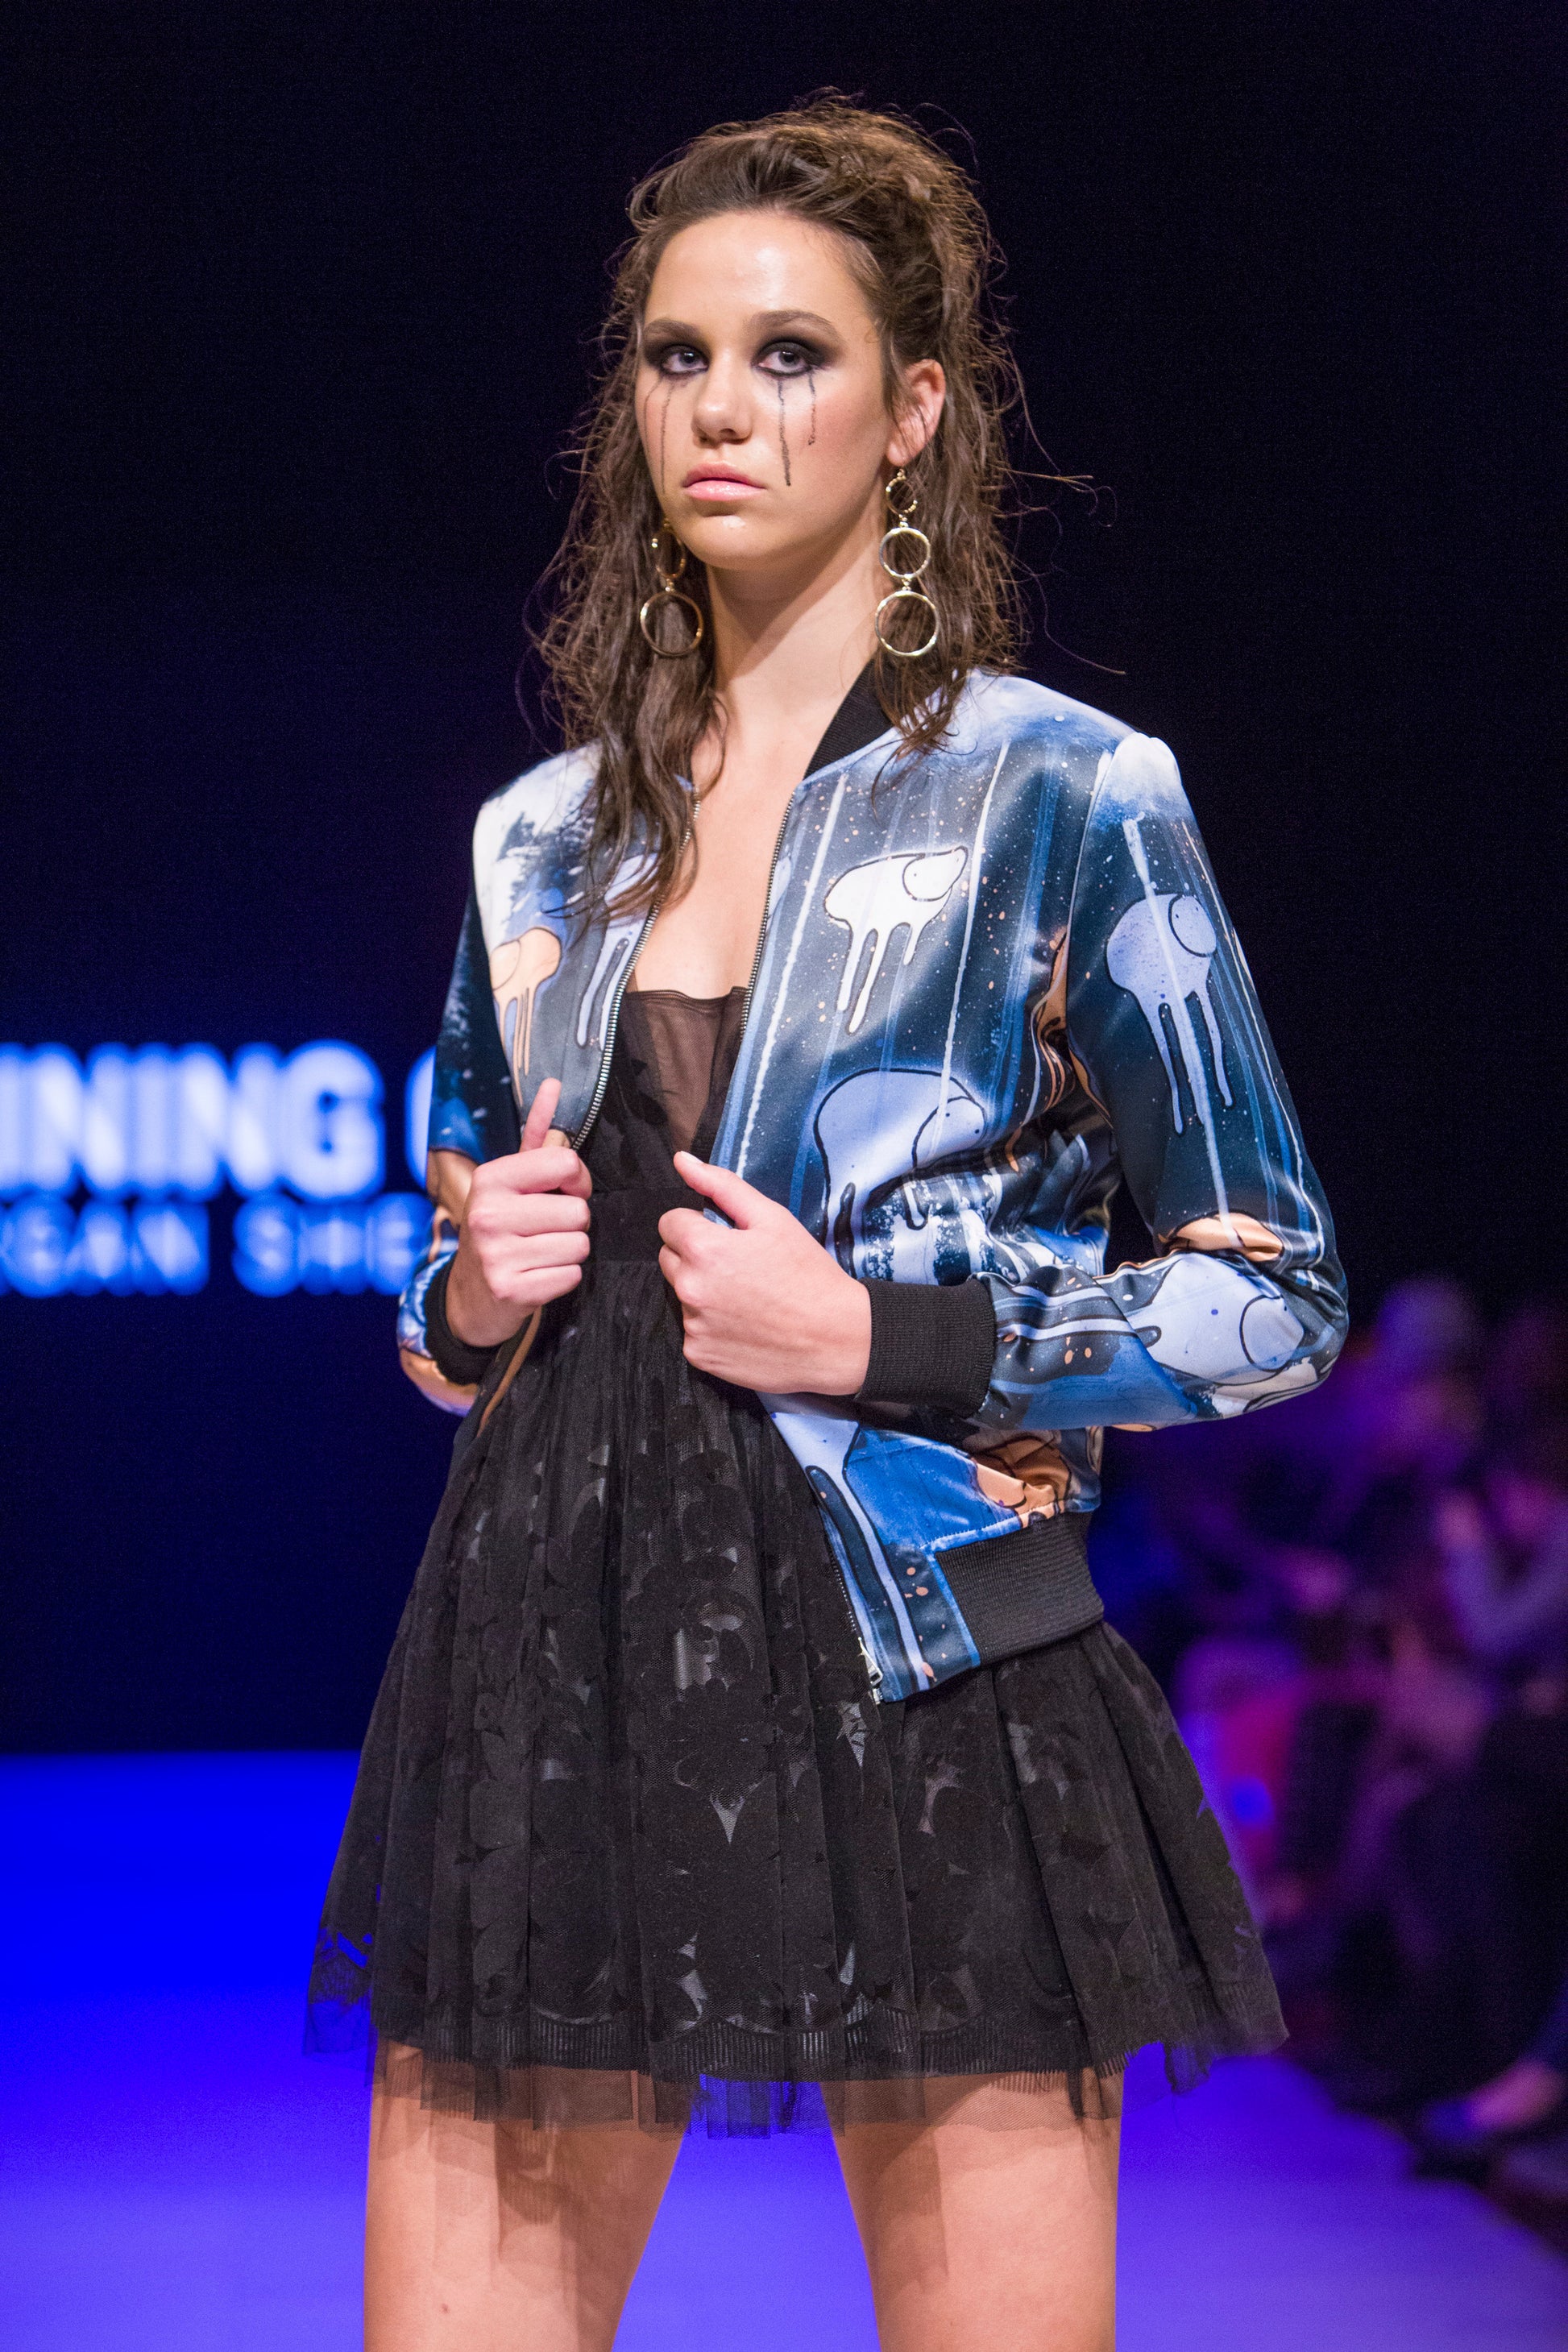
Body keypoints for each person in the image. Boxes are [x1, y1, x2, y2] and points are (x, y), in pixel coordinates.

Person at [308, 102, 1347, 2350]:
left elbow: (1272, 1301)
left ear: (915, 414)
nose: (722, 407)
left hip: (936, 1666)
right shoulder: (538, 843)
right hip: (556, 1669)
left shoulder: (1069, 795)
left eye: (792, 355)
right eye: (680, 358)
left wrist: (888, 1330)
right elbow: (444, 1289)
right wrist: (469, 1290)